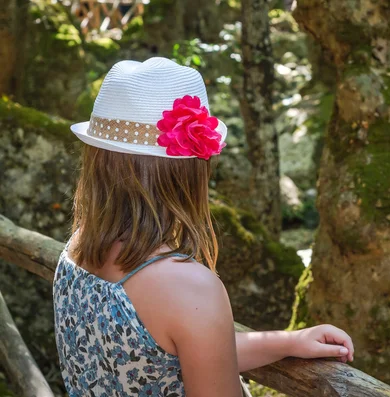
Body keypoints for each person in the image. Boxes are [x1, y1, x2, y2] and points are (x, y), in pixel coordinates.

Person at [53, 57, 354, 397]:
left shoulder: (74, 252)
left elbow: (166, 356)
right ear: (190, 172)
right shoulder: (189, 288)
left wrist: (289, 341)